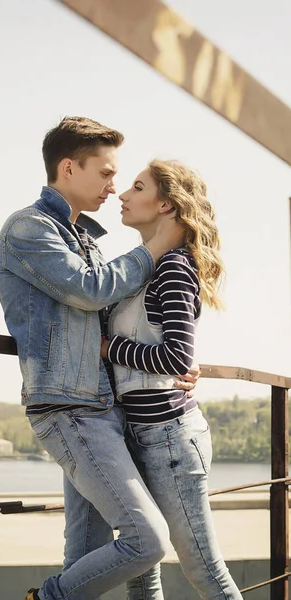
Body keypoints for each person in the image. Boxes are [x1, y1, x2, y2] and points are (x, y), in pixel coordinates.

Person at [0, 117, 197, 600]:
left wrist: (172, 361)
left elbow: (108, 325)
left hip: (102, 410)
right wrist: (156, 247)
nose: (113, 185)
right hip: (68, 411)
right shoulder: (28, 228)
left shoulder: (84, 238)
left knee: (85, 555)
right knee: (146, 542)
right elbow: (91, 290)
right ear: (68, 167)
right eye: (105, 173)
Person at [99, 159, 243, 599]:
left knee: (202, 569)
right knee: (142, 570)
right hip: (135, 435)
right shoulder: (143, 269)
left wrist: (107, 348)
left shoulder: (174, 268)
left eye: (137, 187)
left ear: (165, 205)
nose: (122, 194)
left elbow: (178, 356)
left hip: (169, 439)